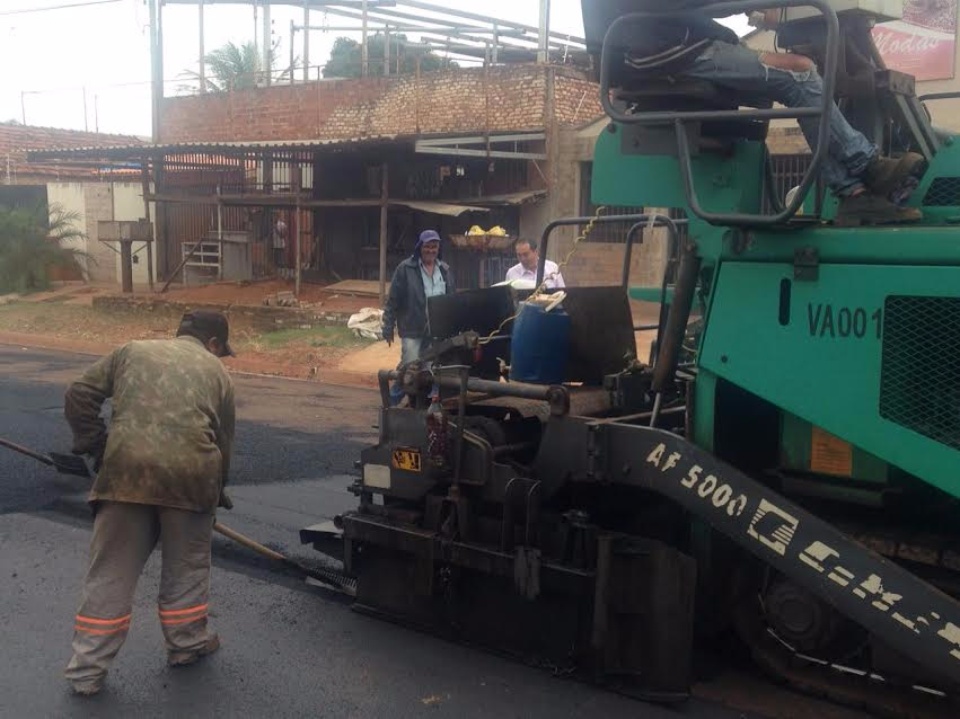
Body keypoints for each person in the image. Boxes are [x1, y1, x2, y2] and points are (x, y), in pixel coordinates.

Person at [62, 310, 236, 696]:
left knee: (110, 572)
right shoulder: (218, 372)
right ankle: (187, 645)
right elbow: (224, 443)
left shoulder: (130, 351)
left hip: (125, 476)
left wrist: (97, 447)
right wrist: (215, 493)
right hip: (191, 479)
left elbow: (79, 394)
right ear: (213, 344)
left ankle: (86, 670)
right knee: (186, 568)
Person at [621, 5, 926, 225]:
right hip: (671, 50)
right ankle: (866, 166)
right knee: (801, 73)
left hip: (685, 43)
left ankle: (855, 193)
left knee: (802, 78)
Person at [381, 230, 456, 403]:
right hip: (412, 329)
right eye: (427, 246)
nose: (431, 250)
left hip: (436, 331)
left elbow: (451, 300)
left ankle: (420, 406)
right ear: (419, 247)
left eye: (434, 247)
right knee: (410, 368)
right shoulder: (406, 269)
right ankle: (391, 403)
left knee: (429, 371)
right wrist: (387, 326)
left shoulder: (444, 270)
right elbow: (393, 300)